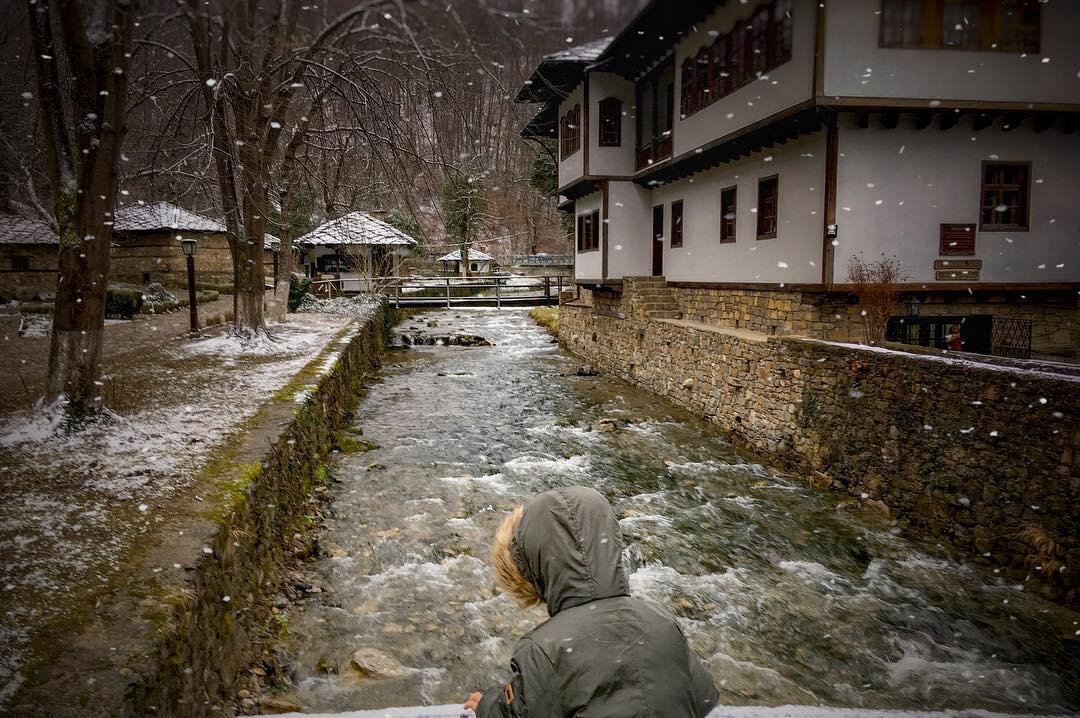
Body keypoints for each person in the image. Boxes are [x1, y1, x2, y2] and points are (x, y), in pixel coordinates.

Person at [464, 486, 719, 717]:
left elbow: (518, 713)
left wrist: (488, 705)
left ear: (537, 563)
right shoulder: (662, 622)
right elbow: (705, 696)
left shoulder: (543, 649)